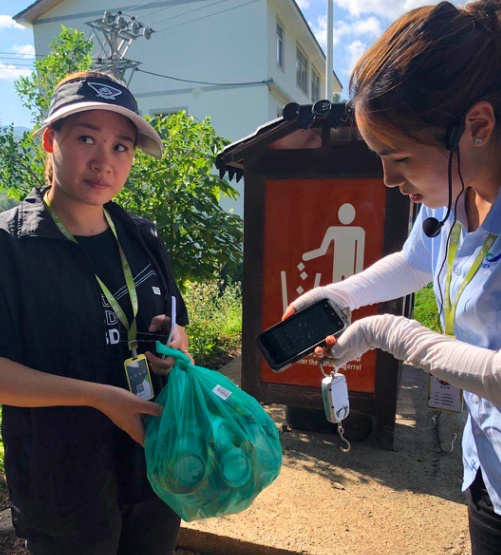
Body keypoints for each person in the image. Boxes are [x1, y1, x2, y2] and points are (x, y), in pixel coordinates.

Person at [284, 1, 501, 553]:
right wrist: (340, 294)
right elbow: (415, 261)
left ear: (476, 126)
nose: (386, 178)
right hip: (486, 470)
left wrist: (385, 333)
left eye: (398, 157)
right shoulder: (455, 195)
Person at [0, 70, 190, 554]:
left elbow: (177, 321)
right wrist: (100, 398)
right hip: (63, 488)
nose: (104, 162)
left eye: (121, 147)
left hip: (155, 471)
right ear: (50, 139)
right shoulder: (11, 247)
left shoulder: (142, 238)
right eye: (87, 138)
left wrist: (172, 347)